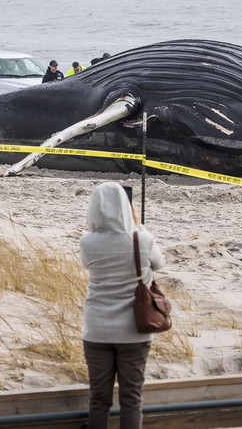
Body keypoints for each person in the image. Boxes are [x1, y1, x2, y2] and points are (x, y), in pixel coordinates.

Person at [81, 182, 166, 429]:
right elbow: (159, 264)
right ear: (127, 208)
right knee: (131, 400)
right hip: (134, 331)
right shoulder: (143, 239)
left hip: (97, 330)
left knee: (98, 400)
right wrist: (137, 224)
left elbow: (90, 264)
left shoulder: (87, 242)